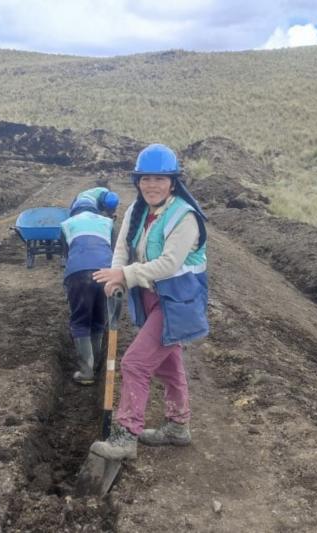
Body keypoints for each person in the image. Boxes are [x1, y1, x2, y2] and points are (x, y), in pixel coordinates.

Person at [90, 143, 209, 460]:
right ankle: (178, 427)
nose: (152, 185)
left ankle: (125, 436)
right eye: (145, 179)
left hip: (178, 301)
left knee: (135, 363)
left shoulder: (184, 217)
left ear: (173, 182)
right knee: (169, 365)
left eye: (160, 179)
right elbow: (122, 247)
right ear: (137, 181)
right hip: (152, 297)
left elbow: (169, 264)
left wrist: (125, 276)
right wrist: (116, 273)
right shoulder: (137, 210)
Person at [60, 193, 117, 384]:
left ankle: (86, 372)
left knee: (80, 321)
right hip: (106, 273)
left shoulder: (67, 224)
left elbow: (66, 255)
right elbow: (115, 251)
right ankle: (98, 364)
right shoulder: (108, 222)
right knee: (99, 320)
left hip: (78, 274)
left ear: (74, 209)